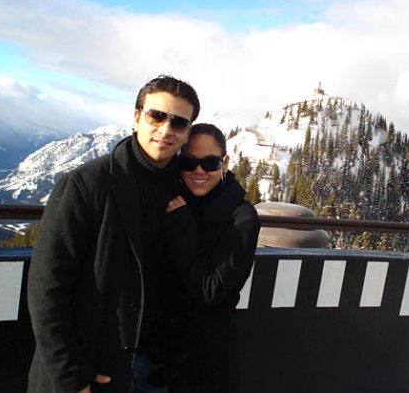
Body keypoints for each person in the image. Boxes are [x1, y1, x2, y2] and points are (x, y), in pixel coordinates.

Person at [27, 75, 200, 393]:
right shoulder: (86, 185)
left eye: (178, 122)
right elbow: (46, 288)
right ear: (137, 117)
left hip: (151, 370)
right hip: (90, 369)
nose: (165, 130)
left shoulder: (184, 187)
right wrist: (71, 377)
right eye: (156, 116)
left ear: (187, 132)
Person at [151, 123, 260, 392]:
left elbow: (211, 290)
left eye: (210, 163)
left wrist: (182, 225)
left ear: (225, 163)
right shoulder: (171, 200)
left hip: (205, 363)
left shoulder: (241, 218)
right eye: (189, 162)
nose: (199, 171)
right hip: (157, 353)